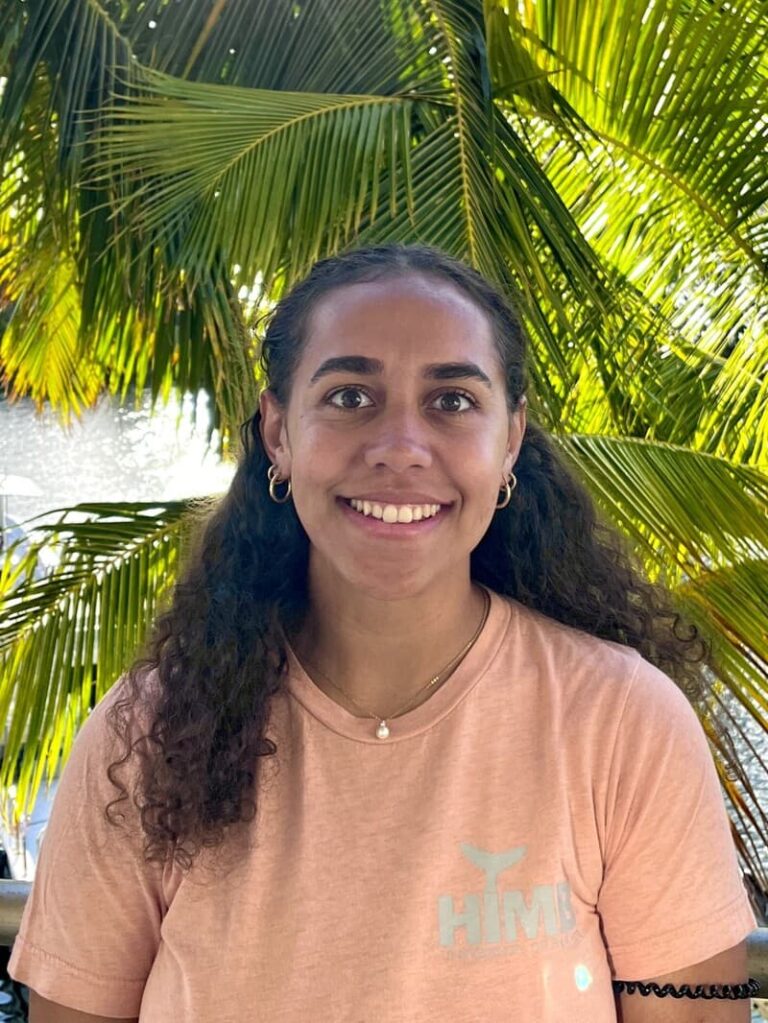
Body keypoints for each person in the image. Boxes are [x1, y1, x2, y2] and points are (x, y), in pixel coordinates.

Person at [9, 244, 758, 1022]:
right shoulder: (148, 736)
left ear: (509, 441)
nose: (400, 447)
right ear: (278, 433)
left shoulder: (623, 723)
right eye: (350, 396)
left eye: (453, 401)